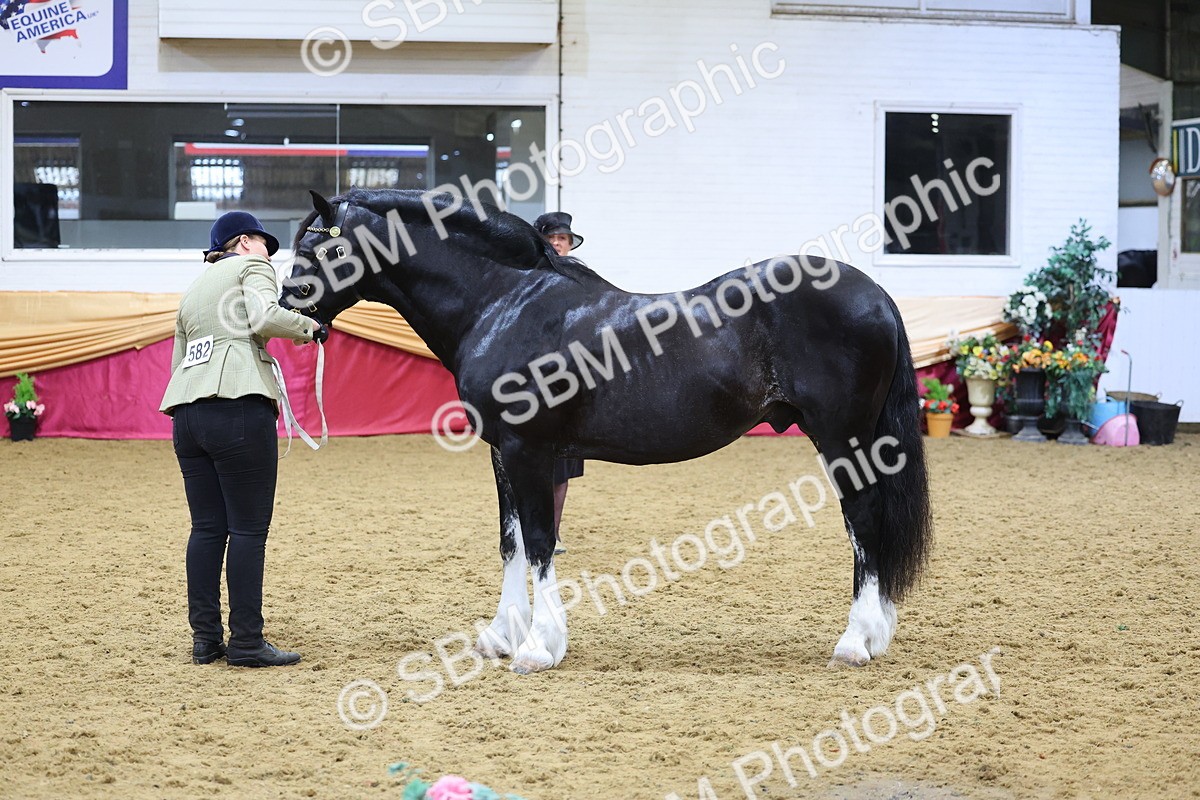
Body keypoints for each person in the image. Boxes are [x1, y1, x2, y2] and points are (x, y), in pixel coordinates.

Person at [160, 211, 328, 667]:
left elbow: (181, 358)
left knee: (206, 528)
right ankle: (248, 643)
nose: (268, 252)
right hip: (238, 406)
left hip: (187, 414)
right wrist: (309, 327)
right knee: (248, 530)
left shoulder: (194, 289)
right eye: (262, 242)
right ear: (243, 241)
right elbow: (265, 316)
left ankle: (205, 638)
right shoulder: (252, 267)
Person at [532, 211, 586, 556]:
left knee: (563, 465)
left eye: (562, 239)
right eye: (551, 238)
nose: (557, 243)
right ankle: (532, 529)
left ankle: (554, 532)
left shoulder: (581, 276)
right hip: (533, 376)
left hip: (570, 377)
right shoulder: (530, 275)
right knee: (529, 460)